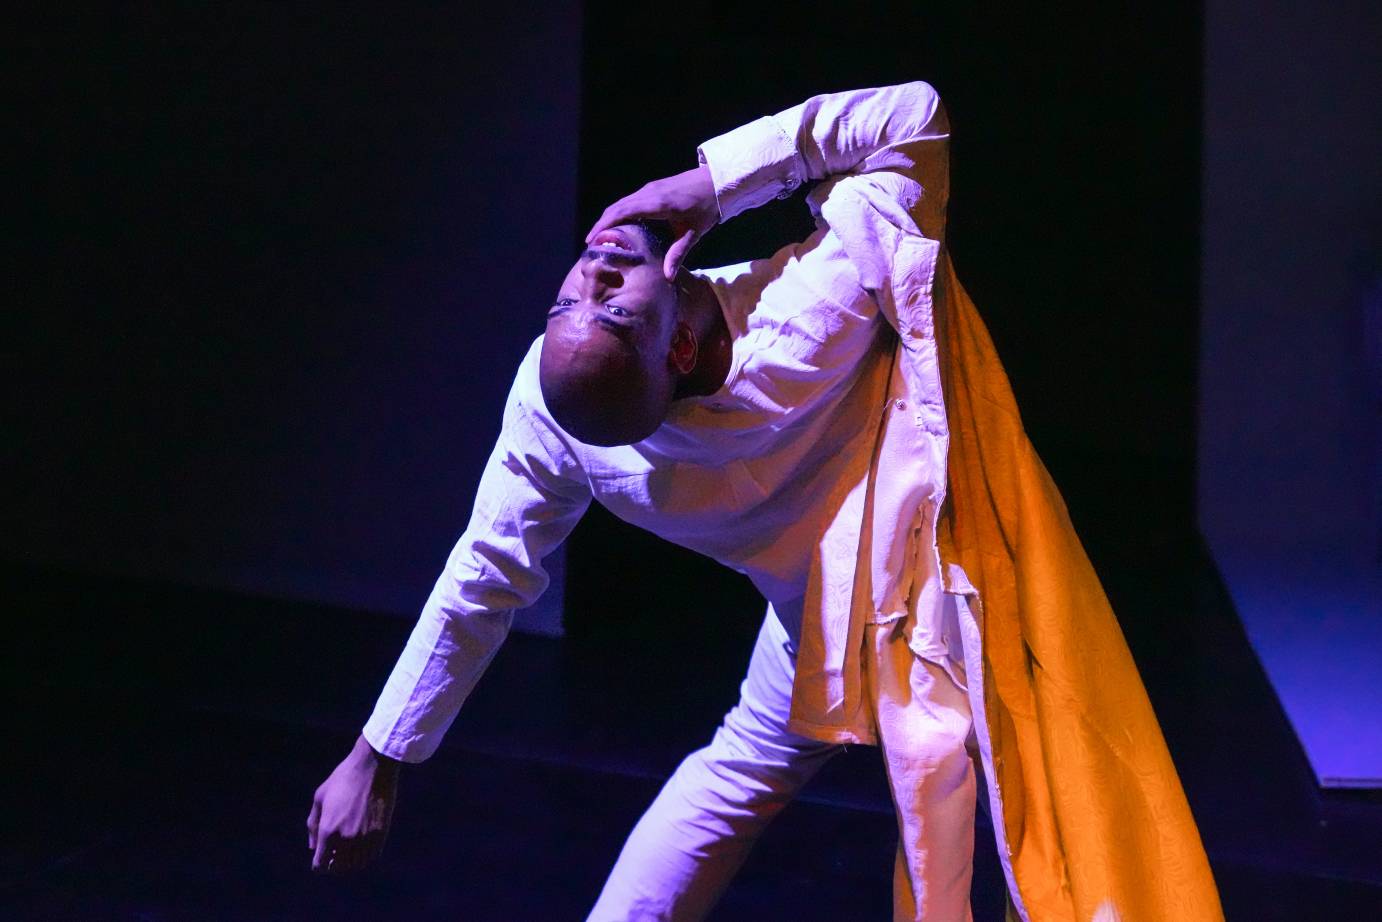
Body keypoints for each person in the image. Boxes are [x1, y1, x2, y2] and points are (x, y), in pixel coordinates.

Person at [307, 81, 1225, 921]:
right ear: (675, 354)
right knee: (997, 784)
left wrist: (375, 756)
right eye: (611, 309)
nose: (589, 279)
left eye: (571, 306)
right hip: (935, 576)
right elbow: (914, 121)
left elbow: (485, 575)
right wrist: (713, 186)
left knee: (753, 768)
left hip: (821, 610)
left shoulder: (558, 409)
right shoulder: (807, 314)